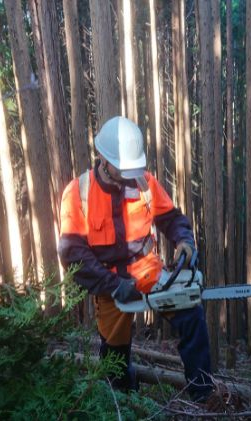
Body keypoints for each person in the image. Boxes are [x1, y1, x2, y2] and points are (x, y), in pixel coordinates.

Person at [58, 116, 214, 402]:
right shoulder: (78, 194)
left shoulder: (144, 183)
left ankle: (203, 394)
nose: (129, 173)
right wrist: (114, 285)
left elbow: (171, 218)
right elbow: (73, 254)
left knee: (191, 313)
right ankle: (125, 401)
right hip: (108, 282)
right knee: (114, 352)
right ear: (104, 159)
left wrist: (184, 240)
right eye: (123, 168)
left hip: (147, 271)